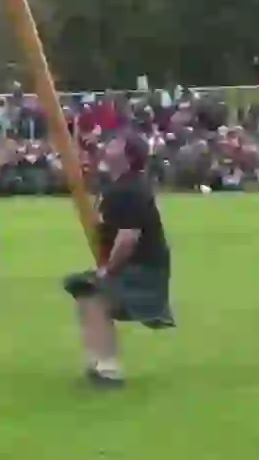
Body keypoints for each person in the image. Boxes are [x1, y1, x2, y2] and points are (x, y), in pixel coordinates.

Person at [62, 132, 174, 387]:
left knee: (93, 292)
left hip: (144, 271)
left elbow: (128, 239)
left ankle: (108, 370)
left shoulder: (130, 190)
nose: (108, 146)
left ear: (127, 156)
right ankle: (99, 362)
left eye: (115, 144)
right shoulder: (121, 185)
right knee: (83, 289)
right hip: (137, 267)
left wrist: (108, 271)